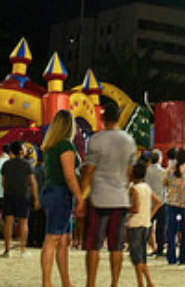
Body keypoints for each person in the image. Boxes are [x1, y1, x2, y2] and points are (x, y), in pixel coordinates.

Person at [80, 103, 136, 287]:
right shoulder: (129, 140)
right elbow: (130, 171)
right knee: (116, 246)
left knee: (93, 245)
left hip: (99, 197)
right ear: (119, 118)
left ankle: (91, 283)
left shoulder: (96, 140)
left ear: (102, 118)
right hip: (120, 198)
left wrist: (81, 197)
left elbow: (89, 171)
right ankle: (114, 283)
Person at [39, 109, 85, 287]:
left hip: (51, 191)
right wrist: (80, 197)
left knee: (63, 240)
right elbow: (69, 175)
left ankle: (65, 281)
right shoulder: (65, 146)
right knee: (53, 238)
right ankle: (47, 282)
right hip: (61, 193)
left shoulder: (50, 146)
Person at [126, 160, 160, 287]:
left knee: (136, 257)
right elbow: (158, 202)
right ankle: (149, 282)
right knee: (142, 256)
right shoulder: (146, 187)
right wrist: (149, 215)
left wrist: (126, 209)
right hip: (145, 223)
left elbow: (135, 208)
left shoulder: (134, 189)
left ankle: (140, 282)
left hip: (135, 223)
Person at [162, 147, 185, 265]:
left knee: (171, 231)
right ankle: (183, 256)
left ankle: (171, 256)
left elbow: (165, 183)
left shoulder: (169, 170)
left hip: (172, 202)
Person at [144, 150, 166, 258]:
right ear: (159, 159)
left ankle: (142, 247)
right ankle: (160, 248)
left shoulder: (146, 171)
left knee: (147, 226)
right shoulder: (163, 172)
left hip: (149, 201)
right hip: (162, 202)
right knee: (161, 227)